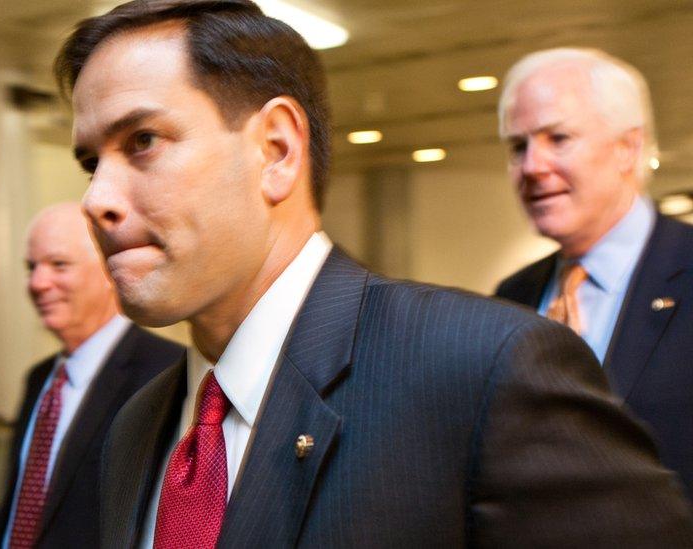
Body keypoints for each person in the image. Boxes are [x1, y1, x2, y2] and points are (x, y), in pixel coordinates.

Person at [54, 1, 693, 547]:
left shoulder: (484, 371)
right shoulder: (139, 429)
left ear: (276, 151)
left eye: (142, 140)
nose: (96, 198)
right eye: (90, 162)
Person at [494, 48, 693, 500]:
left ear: (629, 148)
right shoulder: (514, 295)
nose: (531, 167)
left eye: (558, 138)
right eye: (518, 146)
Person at [0, 203, 184, 549]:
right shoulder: (38, 380)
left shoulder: (168, 375)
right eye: (31, 266)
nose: (38, 283)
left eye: (58, 265)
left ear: (108, 270)